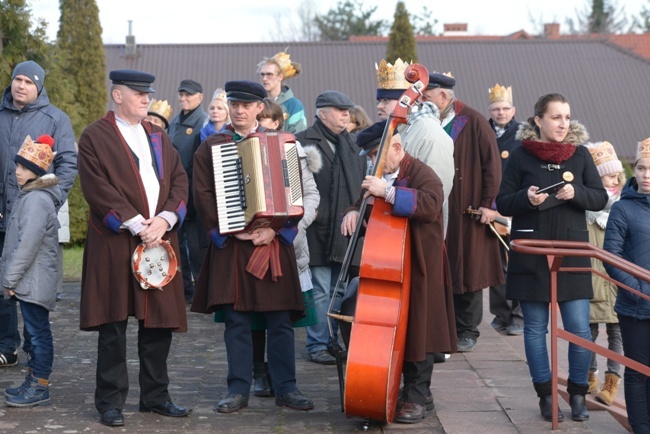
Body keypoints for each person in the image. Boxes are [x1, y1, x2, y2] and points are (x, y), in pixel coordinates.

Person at [77, 69, 191, 427]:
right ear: (117, 95)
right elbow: (97, 188)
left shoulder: (157, 135)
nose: (146, 99)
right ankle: (110, 403)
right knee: (113, 325)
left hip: (159, 241)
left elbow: (179, 181)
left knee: (157, 324)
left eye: (148, 94)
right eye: (138, 93)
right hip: (115, 243)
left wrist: (166, 220)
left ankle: (155, 397)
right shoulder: (96, 135)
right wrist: (137, 223)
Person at [191, 80, 313, 413]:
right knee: (237, 322)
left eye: (246, 105)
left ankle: (286, 388)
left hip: (273, 244)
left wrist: (278, 233)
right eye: (234, 104)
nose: (239, 110)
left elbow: (295, 196)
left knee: (280, 322)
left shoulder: (283, 144)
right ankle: (238, 389)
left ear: (261, 107)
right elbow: (201, 194)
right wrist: (226, 232)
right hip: (233, 247)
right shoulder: (212, 146)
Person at [496, 92, 608, 422]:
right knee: (534, 328)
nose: (563, 123)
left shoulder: (581, 154)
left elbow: (600, 198)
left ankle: (577, 394)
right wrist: (525, 199)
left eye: (567, 117)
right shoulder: (519, 156)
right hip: (532, 253)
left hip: (571, 253)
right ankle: (545, 395)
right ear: (538, 121)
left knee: (579, 329)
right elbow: (503, 202)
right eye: (556, 117)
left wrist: (577, 193)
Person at [341, 122, 456, 423]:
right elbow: (363, 200)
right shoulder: (380, 174)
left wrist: (389, 193)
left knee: (421, 330)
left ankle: (418, 397)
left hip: (420, 264)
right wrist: (353, 211)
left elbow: (430, 205)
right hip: (390, 262)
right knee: (394, 329)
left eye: (377, 154)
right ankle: (404, 389)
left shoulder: (421, 173)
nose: (373, 161)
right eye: (370, 156)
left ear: (397, 148)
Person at [0, 60, 77, 368]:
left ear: (39, 86)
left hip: (33, 218)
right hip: (2, 216)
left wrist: (48, 201)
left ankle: (35, 348)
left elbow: (68, 166)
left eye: (29, 82)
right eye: (17, 79)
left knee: (30, 286)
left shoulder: (56, 119)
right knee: (3, 283)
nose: (21, 86)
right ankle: (7, 346)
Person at [422, 71, 503, 353]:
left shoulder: (473, 119)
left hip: (465, 206)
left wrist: (487, 203)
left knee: (468, 267)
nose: (422, 101)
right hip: (435, 205)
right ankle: (445, 326)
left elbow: (491, 164)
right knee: (440, 265)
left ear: (443, 96)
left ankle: (467, 329)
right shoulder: (425, 121)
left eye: (427, 96)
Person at [295, 90, 366, 365]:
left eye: (347, 110)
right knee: (321, 288)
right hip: (317, 227)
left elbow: (362, 182)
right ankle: (317, 344)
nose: (346, 114)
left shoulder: (352, 144)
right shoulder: (302, 141)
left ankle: (334, 341)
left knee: (340, 289)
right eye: (339, 110)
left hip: (346, 229)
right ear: (322, 113)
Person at [1, 135, 60, 407]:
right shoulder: (31, 195)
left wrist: (9, 279)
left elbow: (27, 245)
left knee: (37, 334)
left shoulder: (36, 200)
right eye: (17, 166)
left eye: (23, 167)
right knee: (31, 335)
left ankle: (40, 386)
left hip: (34, 280)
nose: (17, 171)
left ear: (37, 170)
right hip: (31, 279)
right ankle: (31, 379)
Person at [604, 137, 650, 433]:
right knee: (637, 372)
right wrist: (641, 289)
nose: (647, 174)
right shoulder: (623, 209)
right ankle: (641, 427)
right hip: (636, 305)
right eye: (642, 168)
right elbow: (611, 256)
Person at [375, 59, 454, 218]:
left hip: (418, 232)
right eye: (379, 100)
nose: (379, 106)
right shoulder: (394, 129)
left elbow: (435, 198)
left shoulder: (431, 134)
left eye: (385, 100)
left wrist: (388, 193)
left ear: (406, 100)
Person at [584, 140, 625, 406]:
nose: (613, 182)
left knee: (617, 334)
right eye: (606, 176)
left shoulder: (622, 208)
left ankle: (612, 380)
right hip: (591, 281)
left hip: (618, 283)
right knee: (587, 331)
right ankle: (590, 375)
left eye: (615, 176)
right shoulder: (585, 211)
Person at [486, 84, 524, 336]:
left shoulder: (523, 135)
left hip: (515, 206)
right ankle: (501, 314)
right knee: (494, 264)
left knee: (519, 262)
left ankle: (519, 315)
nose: (500, 113)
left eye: (504, 108)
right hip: (490, 208)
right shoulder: (484, 132)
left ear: (513, 110)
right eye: (496, 109)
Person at [167, 79, 208, 302]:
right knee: (178, 242)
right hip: (177, 191)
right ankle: (184, 290)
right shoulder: (175, 121)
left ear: (200, 97)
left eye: (188, 95)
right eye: (181, 95)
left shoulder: (203, 122)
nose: (183, 99)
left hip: (194, 192)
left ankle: (201, 291)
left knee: (196, 244)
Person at [258, 51, 307, 134]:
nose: (264, 78)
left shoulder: (294, 105)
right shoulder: (257, 104)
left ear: (280, 76)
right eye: (262, 74)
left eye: (269, 74)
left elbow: (299, 137)